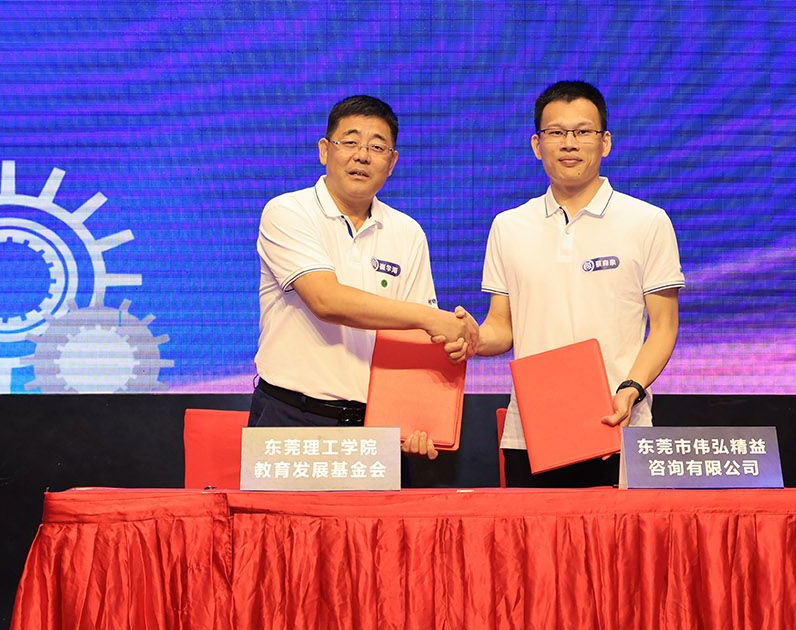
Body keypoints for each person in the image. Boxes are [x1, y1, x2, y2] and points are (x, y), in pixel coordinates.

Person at [470, 81, 682, 486]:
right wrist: (471, 338)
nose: (569, 143)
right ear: (537, 145)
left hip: (619, 426)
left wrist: (631, 388)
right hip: (531, 434)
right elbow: (502, 326)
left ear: (605, 142)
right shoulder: (509, 226)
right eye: (556, 132)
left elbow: (664, 326)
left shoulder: (647, 222)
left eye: (583, 132)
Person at [252, 94, 477, 457]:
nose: (362, 156)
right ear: (324, 150)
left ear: (392, 162)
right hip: (291, 416)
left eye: (377, 147)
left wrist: (417, 419)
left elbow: (417, 339)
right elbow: (326, 300)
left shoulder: (407, 232)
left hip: (377, 426)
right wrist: (433, 318)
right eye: (350, 142)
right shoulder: (288, 211)